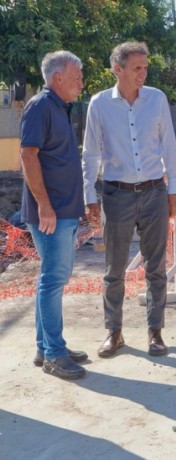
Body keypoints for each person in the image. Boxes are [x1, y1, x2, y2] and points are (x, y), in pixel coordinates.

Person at [82, 41, 176, 358]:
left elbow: (168, 147)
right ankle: (114, 333)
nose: (143, 73)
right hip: (116, 195)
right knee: (114, 270)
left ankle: (156, 333)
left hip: (154, 192)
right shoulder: (99, 104)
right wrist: (89, 196)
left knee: (156, 268)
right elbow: (91, 153)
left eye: (145, 67)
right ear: (117, 69)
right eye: (137, 67)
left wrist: (173, 189)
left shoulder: (157, 99)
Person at [19, 50, 88, 379]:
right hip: (51, 213)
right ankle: (54, 354)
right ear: (57, 77)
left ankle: (44, 346)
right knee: (53, 280)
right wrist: (44, 204)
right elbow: (28, 155)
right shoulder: (41, 106)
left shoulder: (60, 108)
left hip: (63, 210)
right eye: (76, 77)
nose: (81, 83)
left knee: (51, 279)